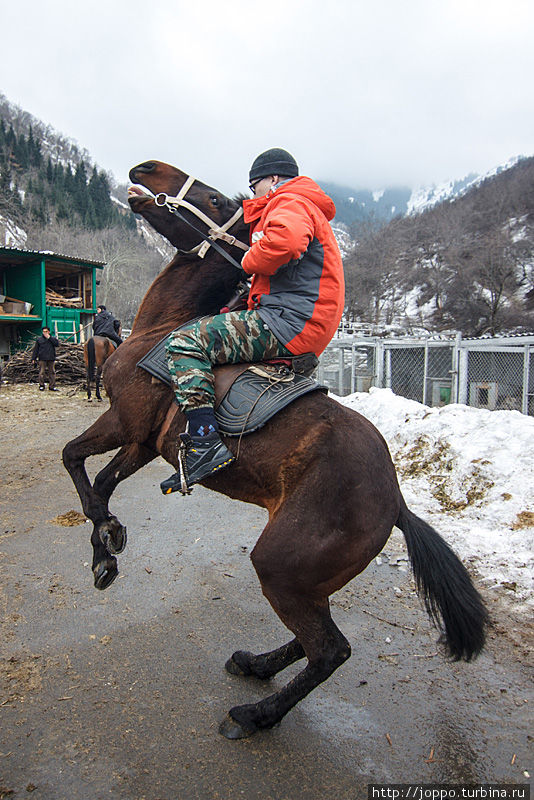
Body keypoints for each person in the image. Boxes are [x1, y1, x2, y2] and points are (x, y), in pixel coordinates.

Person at [161, 147, 345, 495]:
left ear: (273, 179)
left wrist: (248, 260)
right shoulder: (302, 202)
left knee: (186, 341)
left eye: (254, 184)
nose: (253, 191)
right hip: (298, 320)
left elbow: (286, 242)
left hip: (289, 323)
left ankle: (203, 442)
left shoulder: (290, 200)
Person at [31, 326, 60, 391]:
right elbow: (36, 350)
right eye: (43, 332)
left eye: (46, 331)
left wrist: (49, 338)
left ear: (49, 332)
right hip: (42, 358)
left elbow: (57, 344)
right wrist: (33, 358)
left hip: (51, 358)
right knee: (41, 372)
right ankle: (41, 385)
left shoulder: (53, 339)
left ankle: (52, 386)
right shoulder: (39, 340)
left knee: (52, 372)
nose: (45, 333)